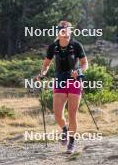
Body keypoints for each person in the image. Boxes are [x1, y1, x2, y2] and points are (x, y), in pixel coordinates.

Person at [36, 21, 88, 154]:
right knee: (58, 115)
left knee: (72, 114)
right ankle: (65, 130)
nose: (66, 33)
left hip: (74, 81)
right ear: (58, 33)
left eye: (68, 31)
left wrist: (80, 72)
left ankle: (72, 141)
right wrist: (42, 74)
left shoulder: (76, 45)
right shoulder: (53, 47)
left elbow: (84, 63)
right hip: (59, 81)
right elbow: (46, 64)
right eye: (63, 31)